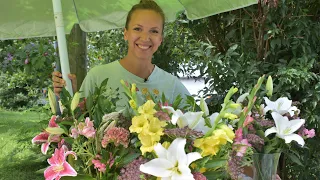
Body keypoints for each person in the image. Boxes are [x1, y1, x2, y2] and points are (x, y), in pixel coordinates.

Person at [52, 0, 190, 110]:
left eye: (154, 31)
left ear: (160, 39)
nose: (145, 37)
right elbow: (78, 125)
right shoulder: (98, 77)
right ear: (126, 33)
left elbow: (197, 131)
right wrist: (68, 93)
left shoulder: (172, 87)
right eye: (137, 29)